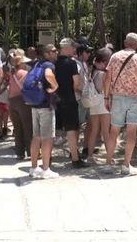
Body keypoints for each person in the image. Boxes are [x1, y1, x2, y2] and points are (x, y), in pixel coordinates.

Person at [104, 33, 137, 176]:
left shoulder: (115, 57)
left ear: (125, 43)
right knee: (131, 132)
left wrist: (106, 97)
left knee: (114, 131)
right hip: (135, 98)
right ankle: (126, 165)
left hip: (117, 97)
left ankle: (109, 163)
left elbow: (107, 78)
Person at [29, 44, 59, 179]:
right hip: (46, 106)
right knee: (47, 138)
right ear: (46, 53)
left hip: (34, 105)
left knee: (36, 137)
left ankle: (34, 167)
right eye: (53, 51)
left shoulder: (36, 64)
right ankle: (46, 169)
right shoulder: (49, 65)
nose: (56, 52)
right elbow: (48, 75)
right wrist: (55, 86)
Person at [56, 39, 87, 168]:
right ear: (67, 48)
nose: (74, 50)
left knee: (55, 130)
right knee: (71, 129)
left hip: (56, 99)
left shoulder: (54, 63)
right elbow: (76, 84)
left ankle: (47, 157)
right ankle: (75, 158)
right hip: (69, 99)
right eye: (73, 48)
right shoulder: (71, 64)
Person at [86, 48, 112, 163]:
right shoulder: (102, 74)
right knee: (106, 132)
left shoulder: (92, 73)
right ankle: (109, 157)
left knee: (94, 130)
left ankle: (90, 156)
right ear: (101, 62)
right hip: (103, 103)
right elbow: (104, 89)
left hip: (93, 103)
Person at [8, 52, 33, 160]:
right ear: (21, 63)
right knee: (28, 127)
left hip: (12, 101)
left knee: (17, 128)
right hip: (22, 101)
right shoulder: (25, 73)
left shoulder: (12, 73)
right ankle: (31, 151)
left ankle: (19, 152)